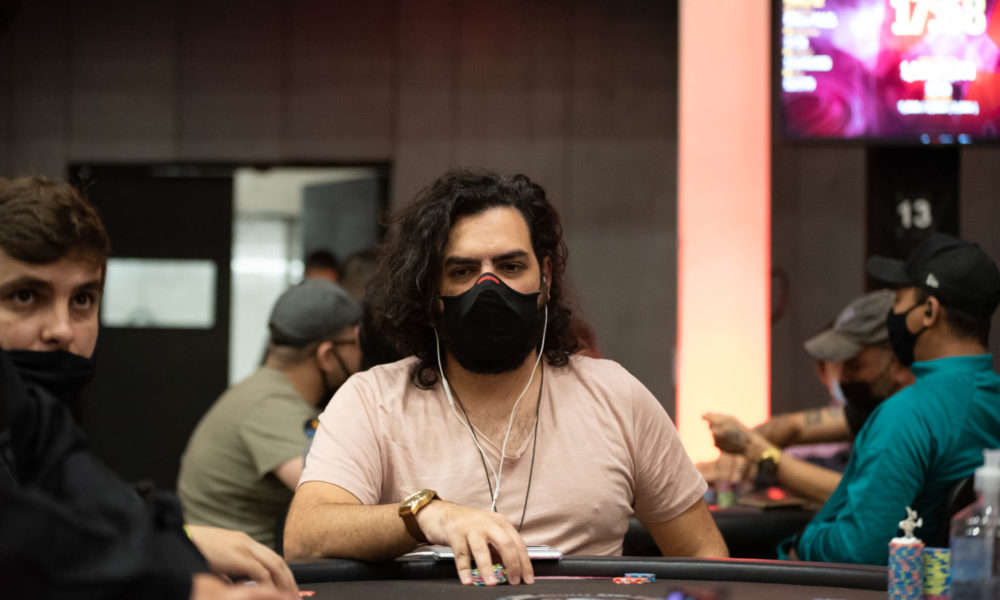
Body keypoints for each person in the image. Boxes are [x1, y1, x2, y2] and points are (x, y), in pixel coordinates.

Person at [283, 168, 728, 585]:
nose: (488, 287)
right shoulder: (372, 400)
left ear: (545, 278)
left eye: (511, 267)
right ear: (432, 291)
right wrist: (427, 516)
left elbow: (704, 558)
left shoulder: (616, 396)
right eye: (463, 271)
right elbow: (306, 535)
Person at [0, 175, 296, 599]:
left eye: (82, 300)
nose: (62, 330)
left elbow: (75, 484)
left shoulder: (35, 417)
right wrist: (178, 580)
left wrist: (172, 543)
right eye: (26, 297)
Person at [792, 232, 1000, 564]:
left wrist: (803, 542)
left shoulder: (907, 415)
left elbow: (857, 552)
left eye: (900, 300)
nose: (894, 312)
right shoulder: (988, 399)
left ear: (929, 312)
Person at [178, 278, 361, 549]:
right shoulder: (271, 407)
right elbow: (333, 499)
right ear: (326, 355)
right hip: (233, 567)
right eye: (355, 342)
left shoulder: (265, 389)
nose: (361, 353)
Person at [701, 290, 914, 503]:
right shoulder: (876, 409)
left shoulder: (914, 420)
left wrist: (757, 451)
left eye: (855, 365)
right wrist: (739, 446)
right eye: (840, 365)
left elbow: (863, 495)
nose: (844, 376)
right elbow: (793, 427)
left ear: (897, 360)